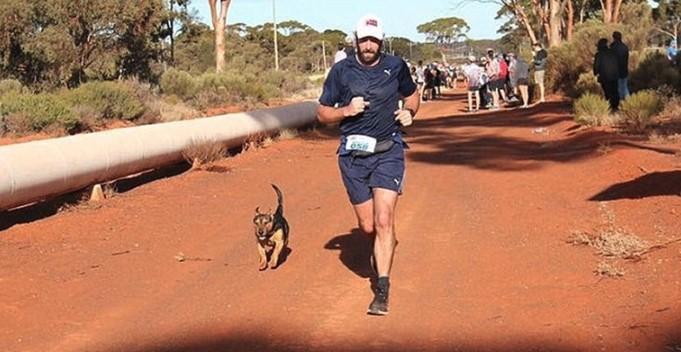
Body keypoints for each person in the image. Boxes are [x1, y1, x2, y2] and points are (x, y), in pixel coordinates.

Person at [317, 14, 420, 316]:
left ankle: (382, 289)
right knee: (368, 226)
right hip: (353, 157)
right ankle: (382, 244)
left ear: (381, 41)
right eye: (364, 39)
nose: (369, 45)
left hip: (388, 150)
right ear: (355, 39)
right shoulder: (341, 71)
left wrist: (410, 113)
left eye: (374, 39)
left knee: (384, 219)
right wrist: (346, 110)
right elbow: (322, 113)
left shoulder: (396, 66)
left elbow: (412, 96)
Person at [593, 38, 620, 111]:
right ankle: (616, 107)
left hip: (605, 76)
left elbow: (596, 66)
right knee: (615, 91)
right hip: (615, 75)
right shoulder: (613, 52)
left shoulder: (599, 54)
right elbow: (617, 63)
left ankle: (609, 107)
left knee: (607, 92)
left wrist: (595, 73)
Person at [610, 31, 629, 99]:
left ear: (614, 38)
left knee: (617, 89)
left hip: (615, 72)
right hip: (624, 70)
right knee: (624, 87)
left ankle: (620, 104)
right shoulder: (625, 47)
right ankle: (628, 102)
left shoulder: (612, 47)